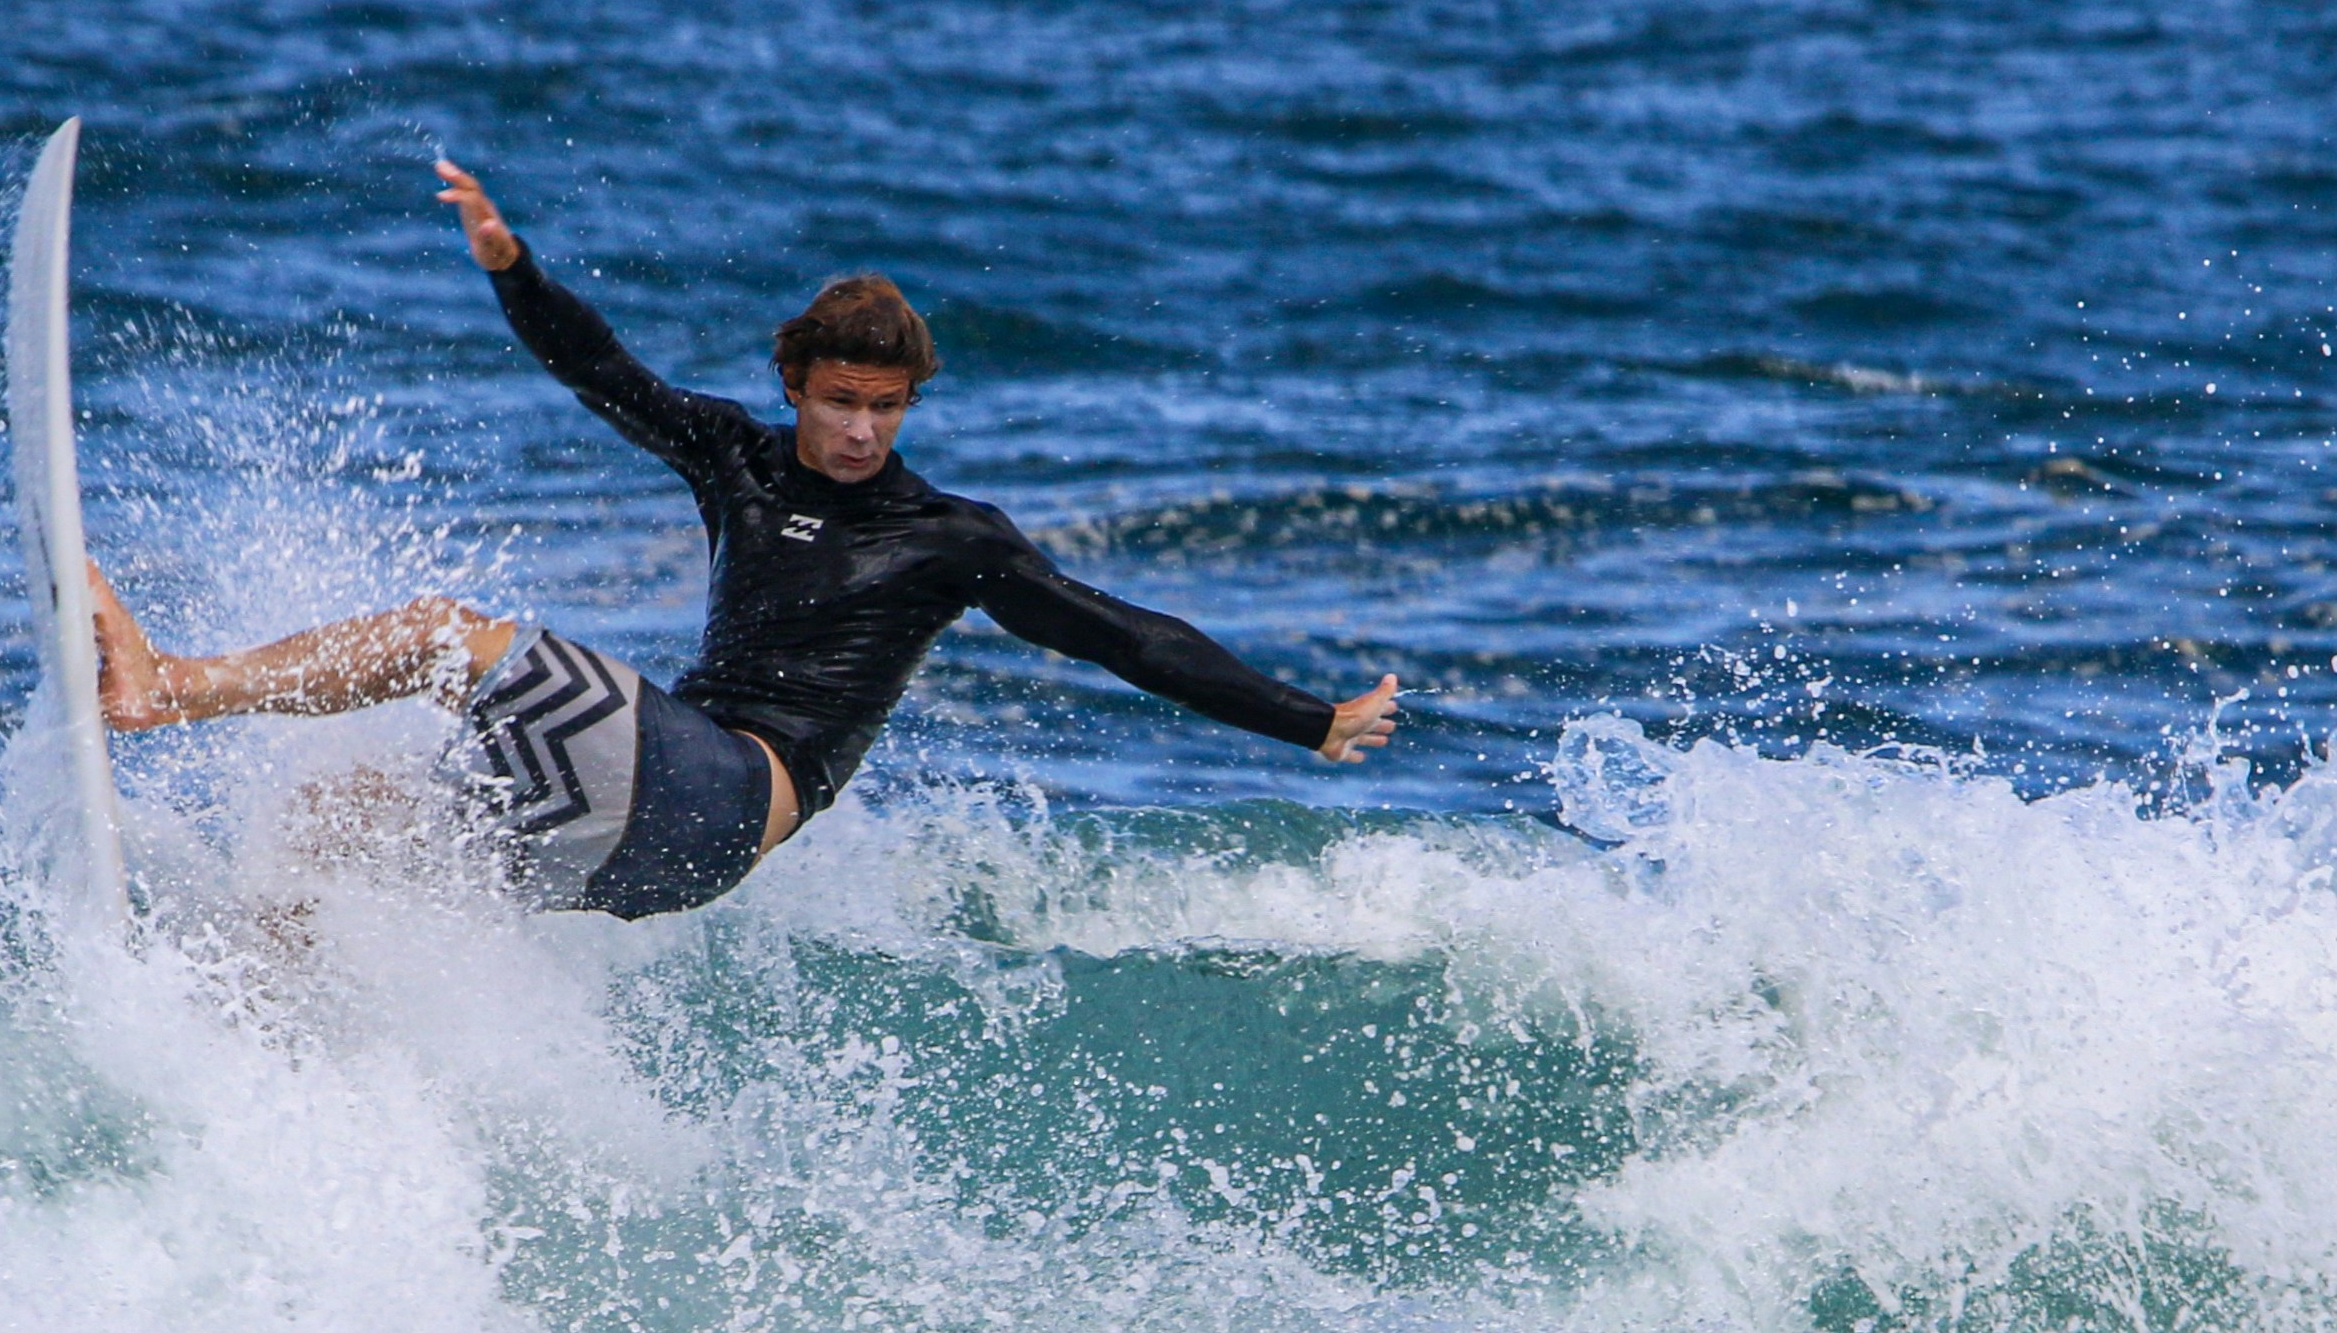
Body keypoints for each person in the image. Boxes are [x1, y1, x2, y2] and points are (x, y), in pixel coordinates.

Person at [90, 158, 1402, 918]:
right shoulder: (734, 454)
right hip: (641, 833)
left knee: (449, 637)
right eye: (839, 402)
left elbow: (1127, 635)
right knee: (331, 829)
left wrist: (1307, 719)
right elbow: (604, 373)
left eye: (883, 409)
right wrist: (510, 265)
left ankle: (174, 687)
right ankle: (261, 1037)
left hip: (726, 799)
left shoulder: (951, 540)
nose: (858, 433)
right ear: (794, 386)